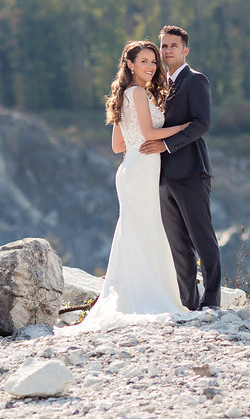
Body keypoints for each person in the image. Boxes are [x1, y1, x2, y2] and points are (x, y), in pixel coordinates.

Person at [71, 40, 189, 330]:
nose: (151, 66)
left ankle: (135, 296)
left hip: (132, 167)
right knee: (145, 230)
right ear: (130, 64)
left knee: (136, 232)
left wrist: (140, 143)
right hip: (141, 171)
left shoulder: (124, 93)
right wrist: (187, 127)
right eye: (145, 61)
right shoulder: (137, 92)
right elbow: (149, 132)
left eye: (153, 61)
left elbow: (117, 144)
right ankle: (147, 298)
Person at [139, 25, 222, 310]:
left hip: (191, 172)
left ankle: (211, 301)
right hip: (163, 177)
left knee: (203, 239)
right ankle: (189, 304)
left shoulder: (196, 80)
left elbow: (202, 123)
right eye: (164, 46)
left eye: (173, 46)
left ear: (185, 50)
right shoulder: (158, 86)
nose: (167, 51)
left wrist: (167, 145)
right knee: (178, 245)